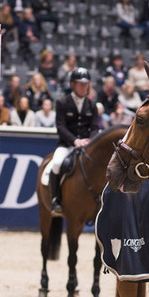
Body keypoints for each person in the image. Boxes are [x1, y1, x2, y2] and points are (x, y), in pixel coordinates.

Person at [50, 68, 100, 215]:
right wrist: (75, 141)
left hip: (86, 146)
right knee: (57, 163)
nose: (84, 87)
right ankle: (56, 200)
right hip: (67, 144)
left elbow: (95, 127)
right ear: (73, 84)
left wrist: (90, 141)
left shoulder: (92, 105)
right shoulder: (62, 103)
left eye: (86, 84)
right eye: (80, 84)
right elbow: (61, 127)